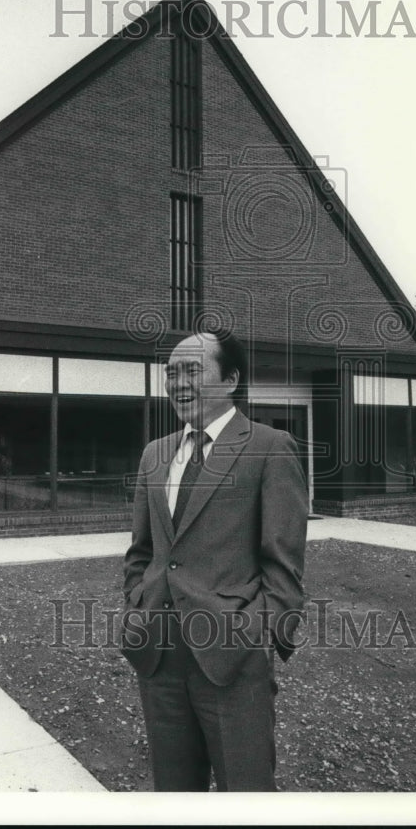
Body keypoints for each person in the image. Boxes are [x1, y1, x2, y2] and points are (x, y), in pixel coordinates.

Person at [120, 330, 309, 791]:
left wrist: (254, 640)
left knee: (246, 792)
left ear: (230, 380)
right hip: (158, 657)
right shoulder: (155, 454)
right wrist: (135, 609)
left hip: (231, 661)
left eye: (191, 371)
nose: (177, 382)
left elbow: (284, 569)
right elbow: (142, 552)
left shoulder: (269, 448)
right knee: (174, 793)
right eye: (171, 373)